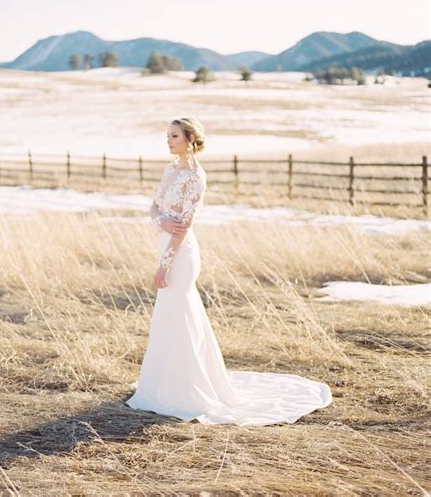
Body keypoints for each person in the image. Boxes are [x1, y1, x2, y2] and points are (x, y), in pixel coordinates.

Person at [125, 117, 333, 426]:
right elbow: (154, 208)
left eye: (174, 136)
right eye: (167, 136)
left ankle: (190, 389)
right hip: (163, 244)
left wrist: (164, 264)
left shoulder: (196, 176)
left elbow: (184, 226)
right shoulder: (170, 171)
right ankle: (164, 385)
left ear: (189, 139)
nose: (168, 141)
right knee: (169, 315)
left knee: (179, 313)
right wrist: (160, 223)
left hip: (180, 255)